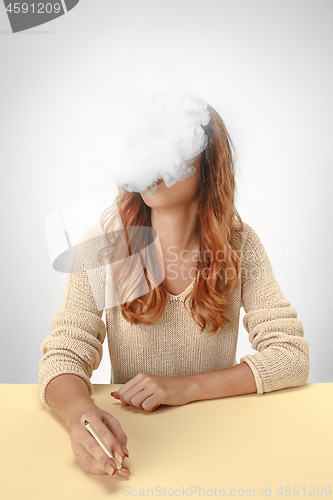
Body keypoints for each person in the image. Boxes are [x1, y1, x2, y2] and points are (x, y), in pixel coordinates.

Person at [39, 99, 310, 478]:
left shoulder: (241, 246)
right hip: (138, 450)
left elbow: (290, 356)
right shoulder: (103, 245)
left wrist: (184, 388)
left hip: (221, 447)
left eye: (168, 145)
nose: (151, 160)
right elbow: (63, 355)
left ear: (207, 165)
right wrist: (80, 417)